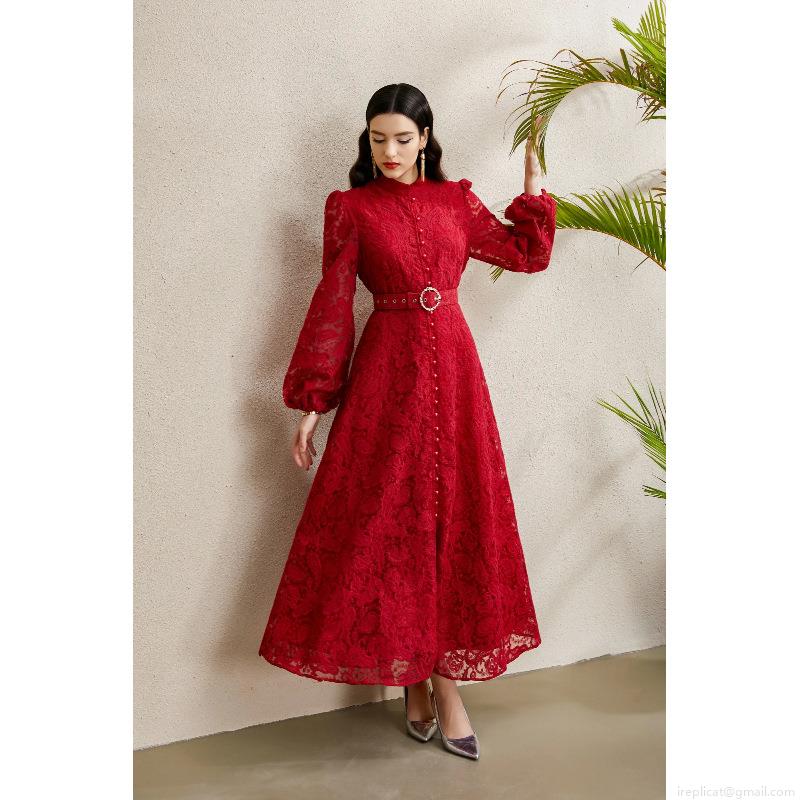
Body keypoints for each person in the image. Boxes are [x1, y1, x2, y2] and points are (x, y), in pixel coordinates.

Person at [258, 83, 557, 761]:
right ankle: (420, 683)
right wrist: (313, 403)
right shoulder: (352, 209)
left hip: (455, 374)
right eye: (377, 139)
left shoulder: (456, 202)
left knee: (453, 520)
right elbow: (333, 303)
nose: (388, 151)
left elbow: (525, 254)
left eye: (401, 138)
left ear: (425, 139)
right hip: (386, 379)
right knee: (393, 525)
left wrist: (533, 187)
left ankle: (438, 687)